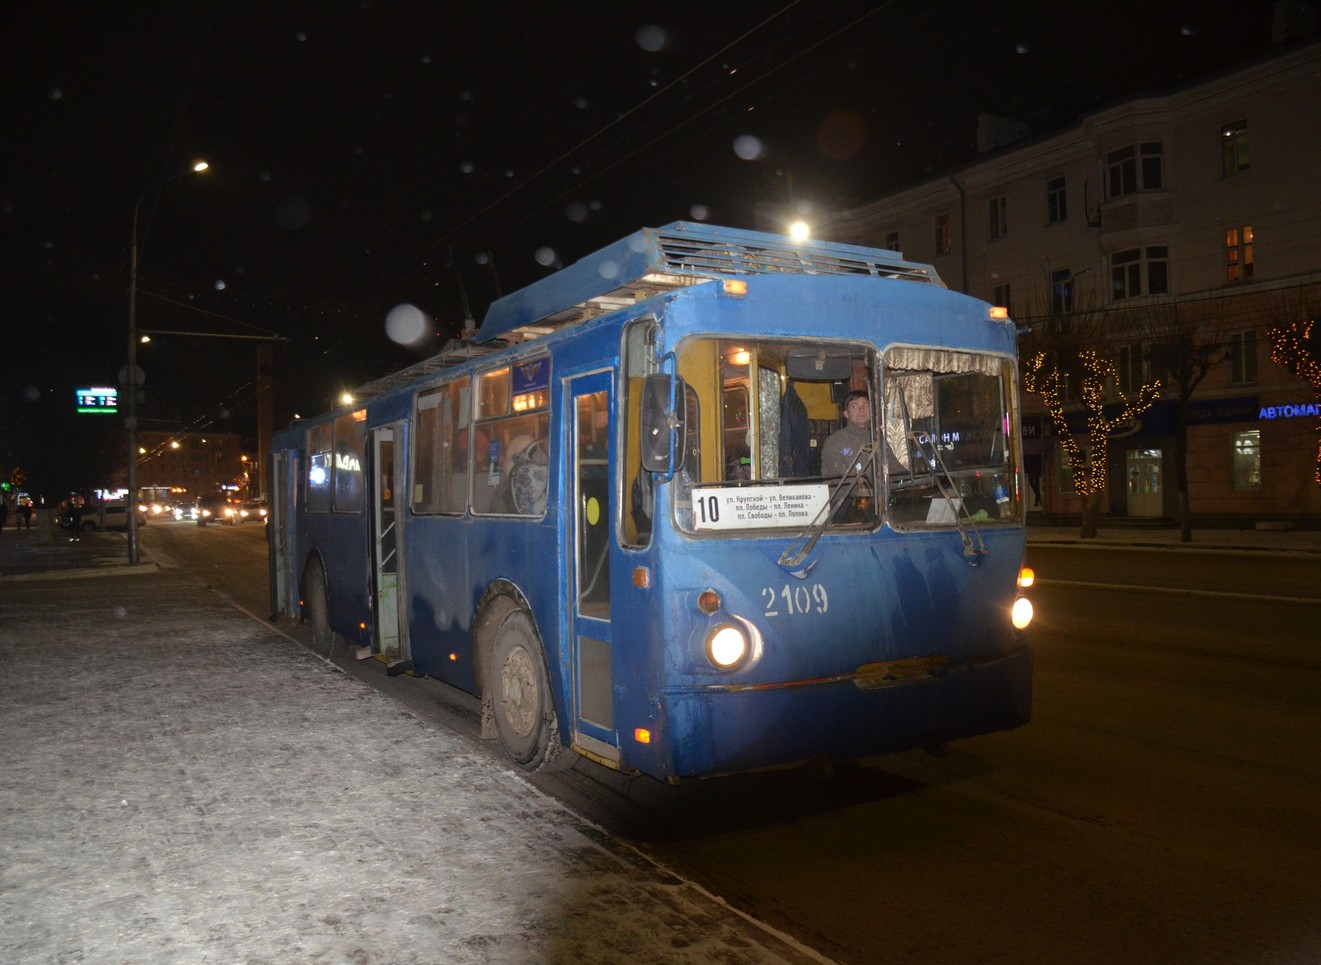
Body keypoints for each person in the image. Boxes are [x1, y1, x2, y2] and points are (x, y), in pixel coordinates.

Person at [821, 390, 873, 480]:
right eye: (854, 406)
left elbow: (896, 471)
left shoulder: (878, 439)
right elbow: (840, 477)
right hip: (844, 494)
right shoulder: (835, 441)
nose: (861, 409)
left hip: (876, 493)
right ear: (846, 414)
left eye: (866, 405)